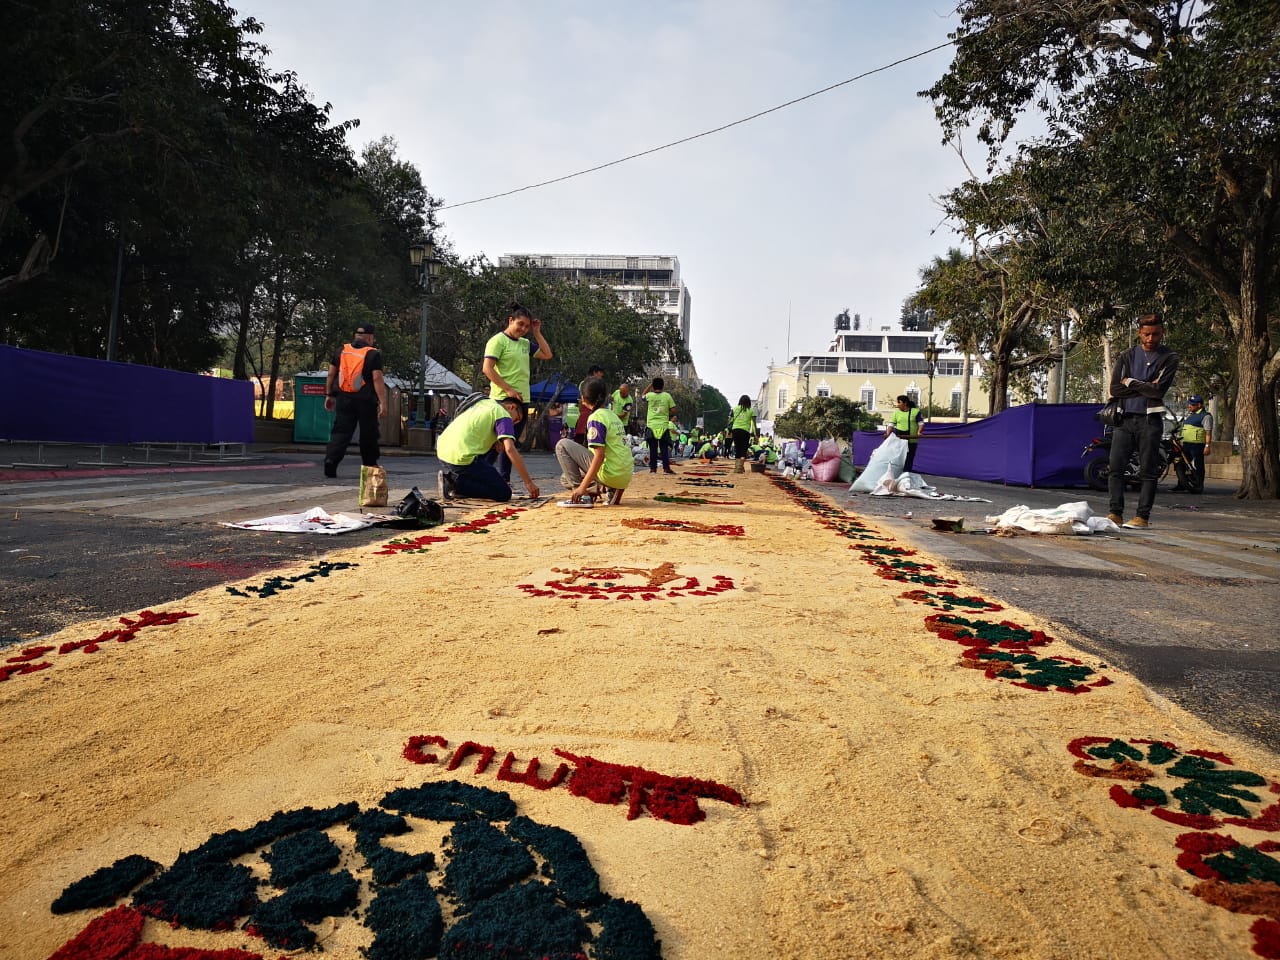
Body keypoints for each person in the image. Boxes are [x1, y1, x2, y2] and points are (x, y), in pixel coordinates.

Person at [1107, 313, 1179, 529]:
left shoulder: (1169, 357)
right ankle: (1115, 513)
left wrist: (1130, 381)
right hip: (1125, 419)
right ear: (1139, 333)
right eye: (1146, 334)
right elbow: (1115, 388)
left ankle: (1142, 517)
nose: (1151, 338)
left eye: (1155, 334)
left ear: (1162, 333)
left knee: (1148, 470)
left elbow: (1158, 391)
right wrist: (1145, 385)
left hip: (1150, 420)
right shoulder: (1127, 355)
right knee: (1115, 468)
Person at [482, 302, 552, 482]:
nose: (523, 329)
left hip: (522, 400)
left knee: (509, 444)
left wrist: (537, 332)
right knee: (496, 444)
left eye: (527, 326)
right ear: (510, 320)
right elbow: (487, 369)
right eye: (520, 324)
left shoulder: (525, 343)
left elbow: (547, 354)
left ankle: (503, 480)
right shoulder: (497, 340)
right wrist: (508, 389)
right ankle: (480, 475)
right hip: (502, 400)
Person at [436, 395, 541, 502]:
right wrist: (528, 482)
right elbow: (510, 449)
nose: (513, 424)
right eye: (516, 419)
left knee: (487, 469)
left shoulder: (485, 403)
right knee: (503, 493)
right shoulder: (504, 414)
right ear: (512, 407)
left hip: (442, 451)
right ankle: (455, 484)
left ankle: (458, 481)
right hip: (460, 458)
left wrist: (495, 441)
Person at [323, 323, 387, 478]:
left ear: (356, 336)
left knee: (341, 431)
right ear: (370, 337)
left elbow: (331, 374)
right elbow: (377, 377)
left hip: (344, 398)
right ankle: (370, 465)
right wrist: (383, 402)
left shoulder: (342, 351)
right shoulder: (373, 354)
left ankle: (331, 460)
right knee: (368, 433)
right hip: (366, 401)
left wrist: (329, 395)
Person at [556, 377, 632, 506]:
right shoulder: (612, 415)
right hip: (623, 474)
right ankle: (609, 488)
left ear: (584, 398)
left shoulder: (596, 417)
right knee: (565, 478)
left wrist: (582, 488)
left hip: (611, 473)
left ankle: (585, 496)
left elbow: (599, 455)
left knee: (562, 445)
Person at [1174, 395, 1212, 494]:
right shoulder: (1190, 415)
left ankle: (1199, 485)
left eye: (1192, 404)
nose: (1189, 406)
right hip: (1186, 445)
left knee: (1199, 465)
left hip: (1197, 445)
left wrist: (1207, 446)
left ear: (1199, 405)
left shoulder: (1205, 416)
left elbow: (1208, 432)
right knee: (1180, 464)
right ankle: (1181, 484)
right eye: (1189, 404)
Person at [640, 377, 677, 474]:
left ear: (653, 386)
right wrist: (665, 411)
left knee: (653, 449)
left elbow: (642, 396)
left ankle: (653, 469)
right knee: (664, 449)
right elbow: (673, 410)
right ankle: (666, 468)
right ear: (663, 386)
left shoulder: (650, 395)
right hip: (663, 426)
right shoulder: (667, 396)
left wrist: (650, 385)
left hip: (651, 426)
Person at [885, 394, 922, 473]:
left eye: (899, 402)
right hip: (899, 440)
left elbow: (921, 423)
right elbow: (891, 424)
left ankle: (906, 476)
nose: (898, 405)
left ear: (905, 403)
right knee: (898, 458)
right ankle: (896, 474)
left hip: (912, 440)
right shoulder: (896, 413)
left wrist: (919, 432)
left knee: (909, 459)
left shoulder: (915, 411)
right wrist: (887, 434)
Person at [730, 395, 757, 474]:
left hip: (735, 430)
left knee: (737, 448)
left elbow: (730, 420)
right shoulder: (751, 410)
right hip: (745, 431)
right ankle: (740, 467)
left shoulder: (734, 409)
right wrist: (755, 434)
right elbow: (754, 424)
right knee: (743, 449)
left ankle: (738, 467)